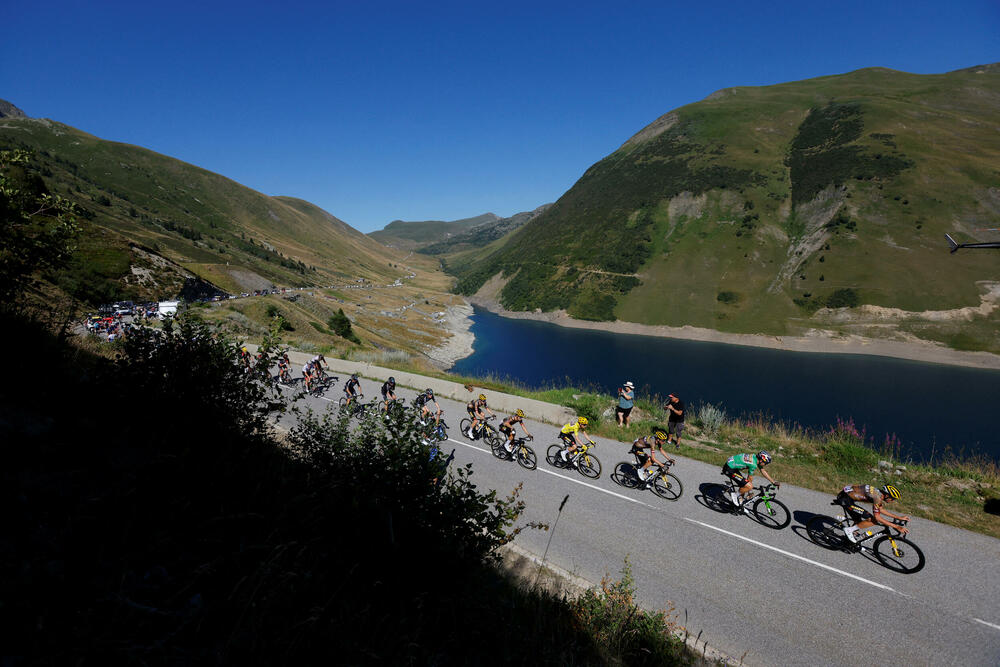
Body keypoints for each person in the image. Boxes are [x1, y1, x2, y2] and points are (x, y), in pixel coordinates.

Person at [834, 483, 909, 543]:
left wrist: (899, 518)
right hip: (845, 499)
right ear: (886, 495)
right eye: (892, 498)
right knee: (872, 520)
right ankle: (849, 530)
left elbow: (881, 510)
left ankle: (848, 540)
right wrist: (896, 527)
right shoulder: (877, 497)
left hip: (847, 496)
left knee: (859, 521)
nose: (892, 501)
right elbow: (877, 517)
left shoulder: (879, 494)